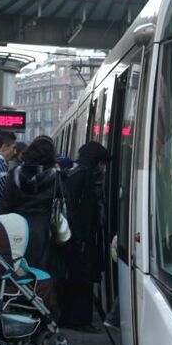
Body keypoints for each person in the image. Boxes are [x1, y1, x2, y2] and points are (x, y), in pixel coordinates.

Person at [60, 142, 111, 331]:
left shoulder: (73, 173)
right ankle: (80, 320)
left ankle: (68, 317)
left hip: (73, 237)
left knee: (73, 279)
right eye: (102, 164)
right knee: (82, 279)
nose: (104, 168)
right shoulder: (87, 177)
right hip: (81, 238)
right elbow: (84, 211)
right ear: (97, 162)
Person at [0, 136, 64, 272]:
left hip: (17, 228)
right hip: (44, 228)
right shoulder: (57, 177)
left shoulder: (15, 174)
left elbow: (5, 204)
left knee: (18, 268)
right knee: (42, 269)